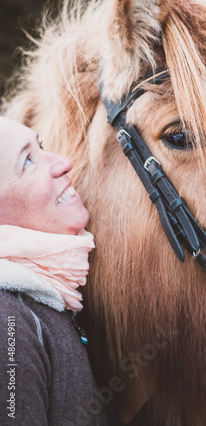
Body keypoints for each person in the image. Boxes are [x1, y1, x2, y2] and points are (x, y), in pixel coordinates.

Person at [0, 117, 107, 425]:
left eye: (41, 146)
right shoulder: (10, 325)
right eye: (28, 162)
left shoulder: (44, 300)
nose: (63, 163)